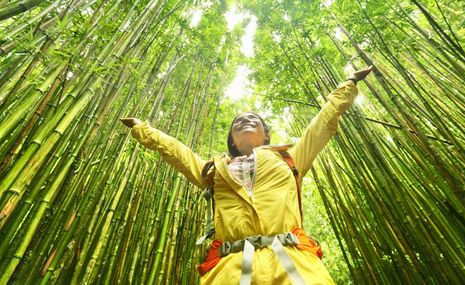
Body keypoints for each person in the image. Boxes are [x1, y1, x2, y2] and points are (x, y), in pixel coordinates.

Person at [121, 66, 373, 284]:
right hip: (231, 268)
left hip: (293, 262)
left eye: (254, 119)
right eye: (238, 121)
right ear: (232, 138)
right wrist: (142, 129)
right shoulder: (214, 172)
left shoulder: (290, 158)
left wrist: (349, 83)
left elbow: (324, 122)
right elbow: (176, 151)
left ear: (266, 134)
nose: (246, 120)